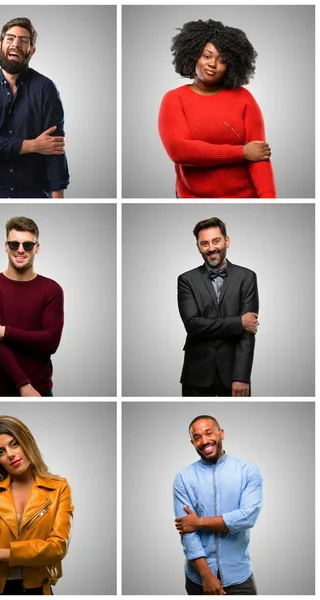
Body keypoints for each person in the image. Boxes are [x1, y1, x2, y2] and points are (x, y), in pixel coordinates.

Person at [158, 19, 276, 198]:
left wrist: (269, 200)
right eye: (206, 56)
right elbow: (180, 151)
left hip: (244, 196)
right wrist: (241, 152)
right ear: (193, 56)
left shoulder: (244, 98)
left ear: (230, 66)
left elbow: (259, 156)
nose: (212, 64)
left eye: (221, 60)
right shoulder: (174, 99)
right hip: (192, 197)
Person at [0, 415, 73, 595]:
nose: (10, 454)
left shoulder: (58, 488)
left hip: (37, 589)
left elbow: (56, 549)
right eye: (0, 452)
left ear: (27, 441)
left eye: (14, 444)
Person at [0, 17, 69, 198]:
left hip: (36, 192)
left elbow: (54, 147)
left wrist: (58, 198)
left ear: (31, 51)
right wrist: (33, 145)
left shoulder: (44, 88)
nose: (15, 44)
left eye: (23, 41)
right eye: (10, 38)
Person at [173, 415, 262, 595]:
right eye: (197, 438)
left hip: (239, 576)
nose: (204, 441)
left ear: (220, 433)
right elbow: (187, 531)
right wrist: (206, 575)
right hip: (198, 578)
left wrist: (199, 522)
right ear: (192, 443)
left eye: (208, 433)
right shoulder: (183, 478)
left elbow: (247, 517)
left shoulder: (248, 471)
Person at [0, 216, 64, 397]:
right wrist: (23, 385)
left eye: (28, 245)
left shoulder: (52, 289)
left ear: (37, 248)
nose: (20, 250)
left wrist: (5, 332)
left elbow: (51, 342)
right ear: (6, 246)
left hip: (40, 389)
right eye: (14, 244)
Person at [178, 217, 258, 397]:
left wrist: (242, 376)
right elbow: (193, 325)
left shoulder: (247, 277)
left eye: (216, 241)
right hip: (196, 374)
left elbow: (248, 332)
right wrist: (239, 322)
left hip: (234, 374)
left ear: (226, 241)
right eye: (204, 243)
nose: (211, 248)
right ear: (198, 246)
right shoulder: (186, 280)